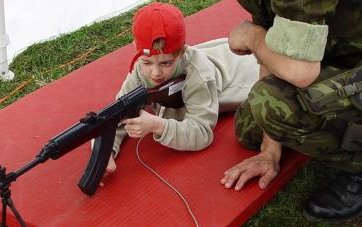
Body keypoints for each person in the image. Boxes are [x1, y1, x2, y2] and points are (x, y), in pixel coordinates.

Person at [221, 0, 362, 222]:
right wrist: (269, 151)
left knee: (271, 107)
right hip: (357, 62)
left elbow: (299, 71)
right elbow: (275, 44)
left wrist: (252, 37)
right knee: (250, 127)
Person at [103, 2, 259, 178]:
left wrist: (157, 125)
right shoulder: (140, 68)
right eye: (147, 62)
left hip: (249, 72)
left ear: (181, 52)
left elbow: (201, 134)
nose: (155, 73)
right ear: (136, 50)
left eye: (166, 63)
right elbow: (116, 114)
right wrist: (105, 153)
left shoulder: (198, 75)